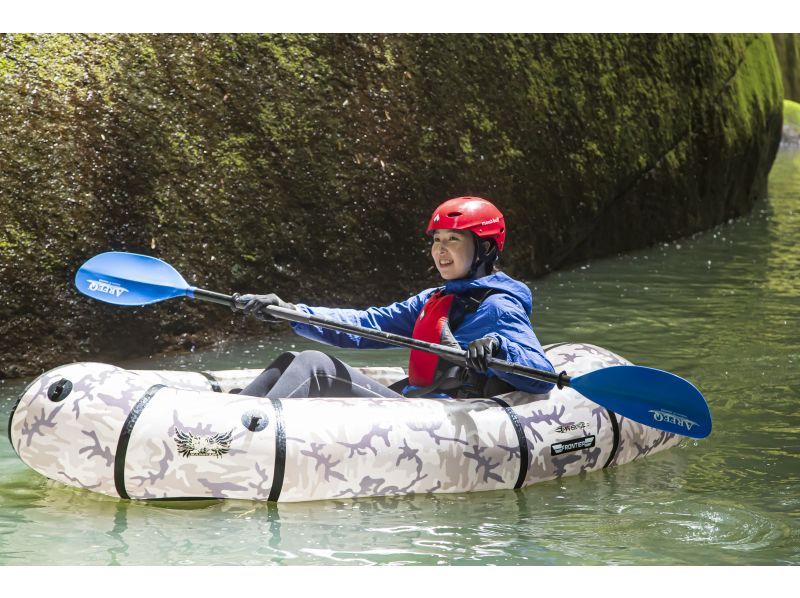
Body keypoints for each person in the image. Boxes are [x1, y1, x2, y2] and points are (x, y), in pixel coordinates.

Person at [234, 196, 555, 399]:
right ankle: (233, 420)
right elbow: (365, 326)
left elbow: (540, 374)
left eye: (453, 239)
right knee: (289, 361)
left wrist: (500, 347)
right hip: (414, 404)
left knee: (314, 366)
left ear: (485, 248)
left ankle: (242, 437)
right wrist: (290, 311)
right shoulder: (434, 298)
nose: (440, 250)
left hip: (441, 420)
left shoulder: (498, 305)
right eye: (436, 240)